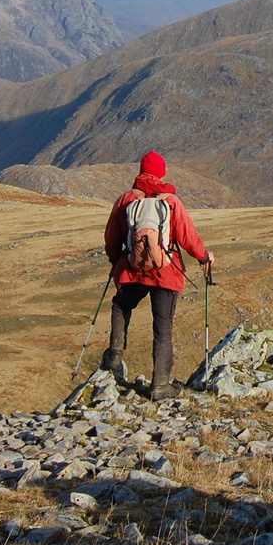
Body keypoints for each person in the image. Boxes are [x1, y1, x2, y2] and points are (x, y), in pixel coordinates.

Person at [100, 150, 214, 399]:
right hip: (166, 272)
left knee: (121, 306)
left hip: (133, 270)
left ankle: (115, 357)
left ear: (140, 171)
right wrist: (204, 257)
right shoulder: (171, 201)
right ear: (162, 172)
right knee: (162, 328)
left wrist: (116, 259)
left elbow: (111, 238)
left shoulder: (127, 199)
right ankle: (160, 385)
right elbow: (187, 237)